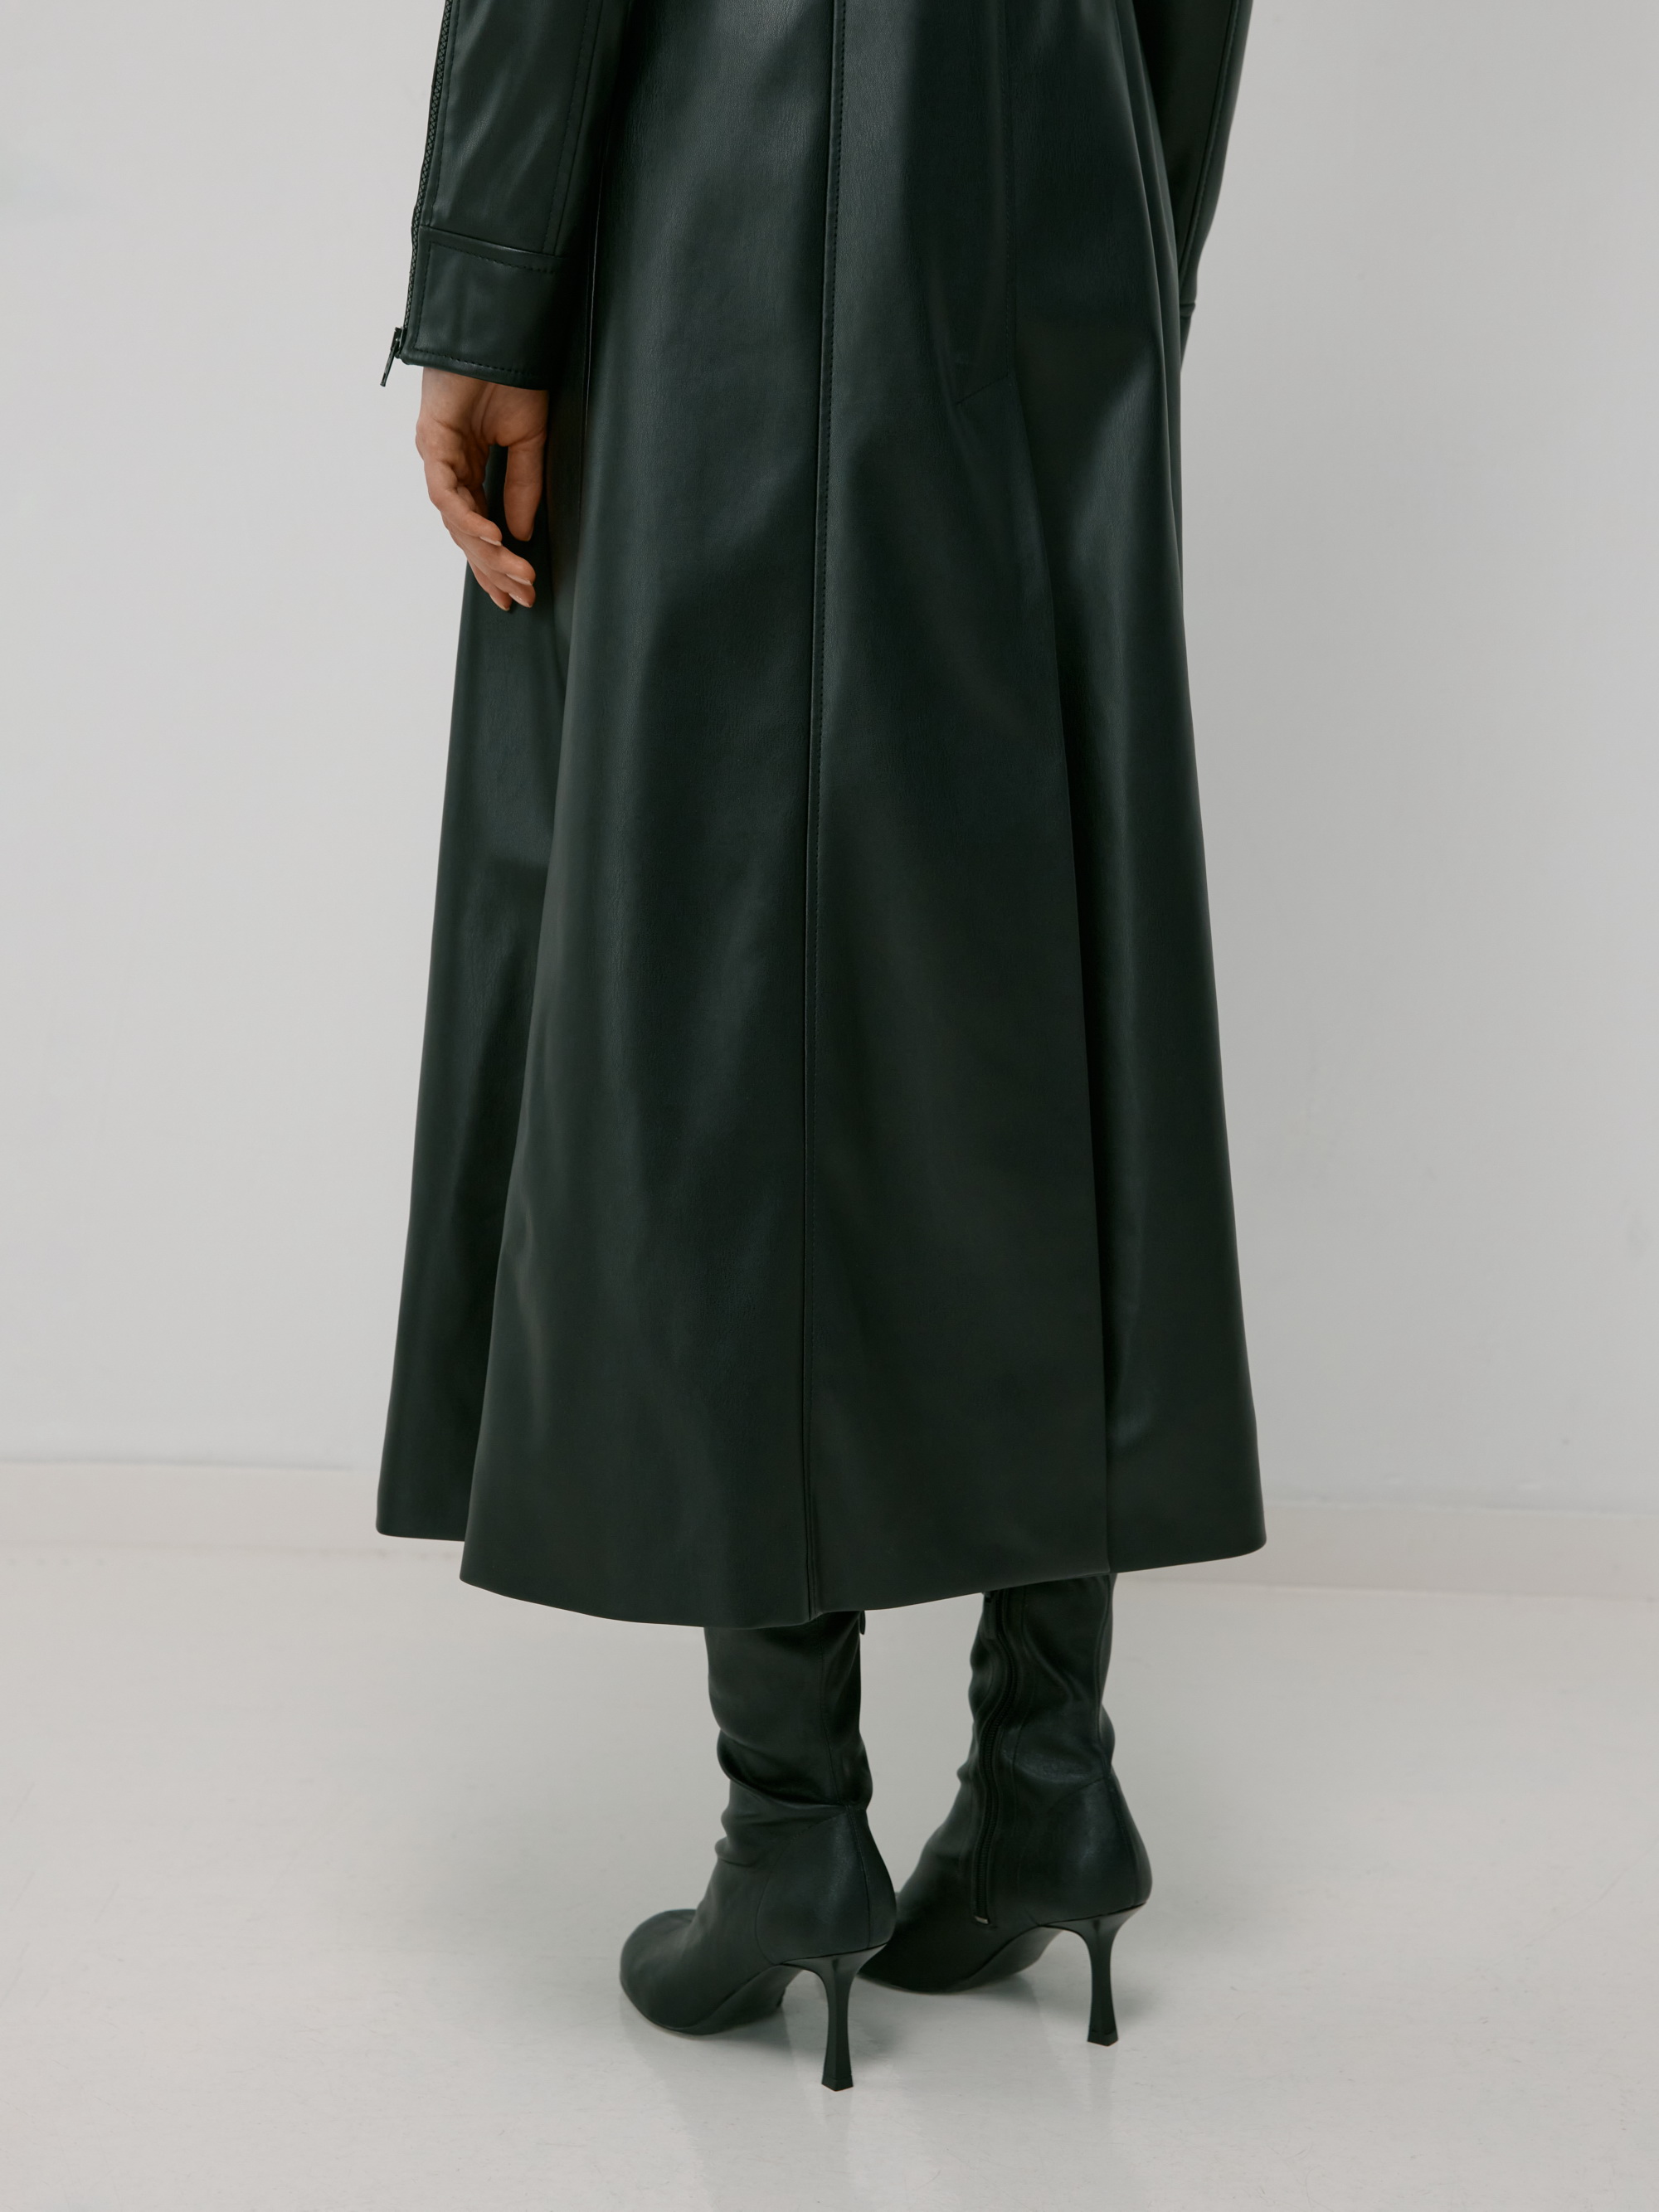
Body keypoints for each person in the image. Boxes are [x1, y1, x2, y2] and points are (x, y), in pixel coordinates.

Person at [378, 0, 1263, 2092]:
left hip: (737, 159)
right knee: (1041, 912)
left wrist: (486, 285)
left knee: (715, 941)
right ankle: (1048, 1777)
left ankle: (792, 1828)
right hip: (1061, 161)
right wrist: (1127, 234)